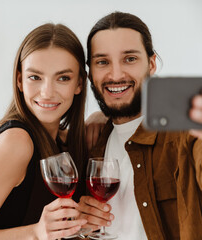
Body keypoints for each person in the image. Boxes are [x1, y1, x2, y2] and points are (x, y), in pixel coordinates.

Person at [0, 23, 89, 240]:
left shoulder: (65, 141)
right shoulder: (16, 143)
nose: (47, 92)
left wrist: (84, 225)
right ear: (20, 80)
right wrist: (35, 232)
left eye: (63, 78)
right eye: (35, 77)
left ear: (79, 84)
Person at [78, 11, 202, 240]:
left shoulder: (186, 133)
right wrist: (82, 228)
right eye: (102, 62)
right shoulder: (93, 140)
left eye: (130, 59)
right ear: (89, 74)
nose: (115, 74)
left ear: (152, 63)